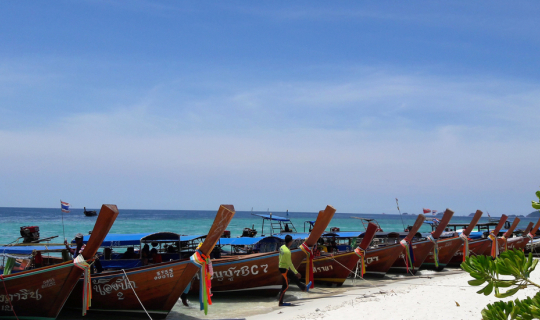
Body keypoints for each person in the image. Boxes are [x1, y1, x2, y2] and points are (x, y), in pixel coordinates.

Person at [278, 235, 311, 306]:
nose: (292, 242)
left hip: (282, 267)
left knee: (294, 278)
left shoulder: (281, 247)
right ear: (290, 242)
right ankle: (280, 303)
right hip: (284, 269)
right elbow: (290, 263)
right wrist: (296, 272)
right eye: (291, 241)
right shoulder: (287, 251)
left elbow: (280, 257)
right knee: (285, 286)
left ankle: (304, 288)